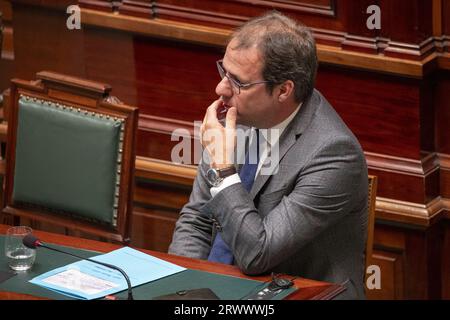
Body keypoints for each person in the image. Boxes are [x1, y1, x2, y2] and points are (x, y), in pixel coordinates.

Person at [168, 11, 368, 299]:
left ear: (284, 90)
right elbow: (197, 220)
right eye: (223, 71)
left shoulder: (333, 154)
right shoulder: (238, 119)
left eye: (238, 82)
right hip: (223, 290)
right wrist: (182, 291)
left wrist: (224, 169)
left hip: (296, 293)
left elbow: (257, 255)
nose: (220, 88)